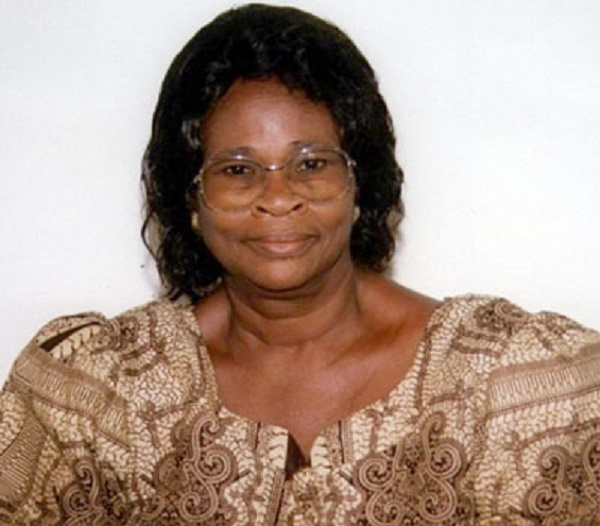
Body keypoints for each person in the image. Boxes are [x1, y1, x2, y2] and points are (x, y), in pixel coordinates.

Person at [0, 3, 599, 524]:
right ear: (191, 200)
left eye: (311, 163)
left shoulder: (510, 388)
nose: (279, 196)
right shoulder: (98, 397)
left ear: (361, 183)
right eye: (238, 170)